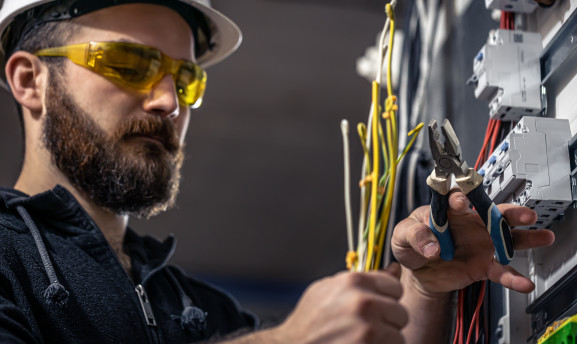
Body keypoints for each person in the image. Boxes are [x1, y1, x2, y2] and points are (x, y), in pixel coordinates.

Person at [0, 0, 555, 343]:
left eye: (186, 79)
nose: (169, 101)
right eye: (128, 64)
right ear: (30, 81)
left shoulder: (202, 311)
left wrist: (425, 287)